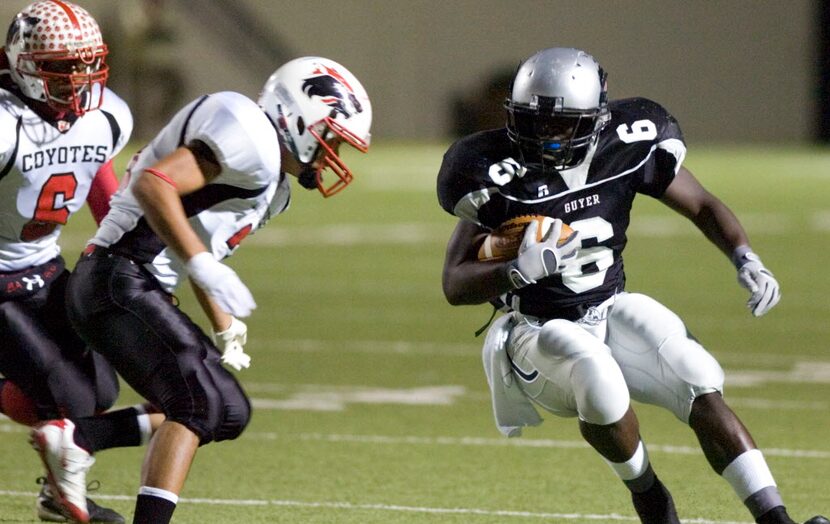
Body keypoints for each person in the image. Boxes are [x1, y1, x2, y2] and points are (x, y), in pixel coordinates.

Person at [437, 47, 828, 524]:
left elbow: (701, 203)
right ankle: (651, 499)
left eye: (562, 125)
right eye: (534, 122)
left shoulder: (627, 143)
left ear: (598, 118)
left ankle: (775, 518)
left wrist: (744, 255)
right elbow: (455, 283)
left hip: (608, 305)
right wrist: (516, 270)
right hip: (534, 333)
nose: (547, 136)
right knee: (595, 373)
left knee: (695, 372)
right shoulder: (494, 172)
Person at [30, 55, 372, 523]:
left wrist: (224, 325)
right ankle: (83, 446)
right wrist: (199, 262)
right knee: (198, 402)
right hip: (118, 278)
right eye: (330, 135)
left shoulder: (275, 185)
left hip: (132, 285)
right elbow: (156, 185)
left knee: (228, 410)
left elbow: (200, 244)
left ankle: (80, 439)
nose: (334, 151)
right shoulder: (251, 136)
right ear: (296, 117)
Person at [0, 2, 164, 522]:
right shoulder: (5, 125)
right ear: (24, 65)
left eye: (87, 64)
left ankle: (55, 492)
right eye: (63, 67)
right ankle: (59, 496)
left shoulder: (107, 115)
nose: (79, 79)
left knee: (99, 388)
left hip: (44, 265)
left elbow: (101, 186)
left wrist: (128, 257)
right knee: (63, 391)